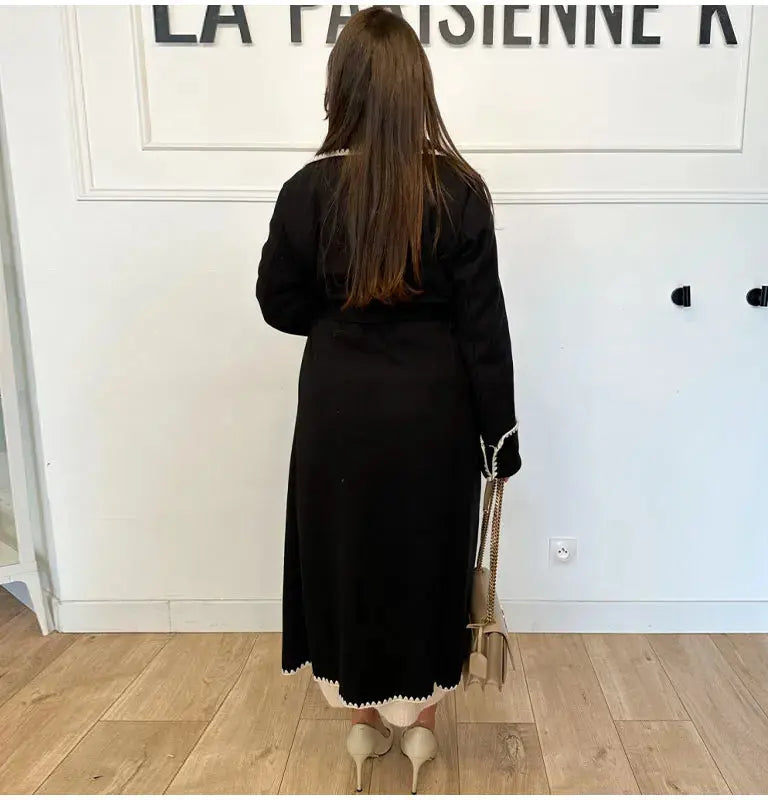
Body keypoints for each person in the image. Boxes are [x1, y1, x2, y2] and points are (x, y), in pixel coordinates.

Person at [256, 6, 521, 794]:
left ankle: (362, 725)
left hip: (338, 406)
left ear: (340, 87)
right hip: (434, 411)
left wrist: (341, 319)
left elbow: (277, 302)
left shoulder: (306, 190)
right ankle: (421, 728)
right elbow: (483, 327)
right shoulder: (460, 190)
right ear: (419, 89)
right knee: (422, 557)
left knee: (346, 556)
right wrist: (500, 438)